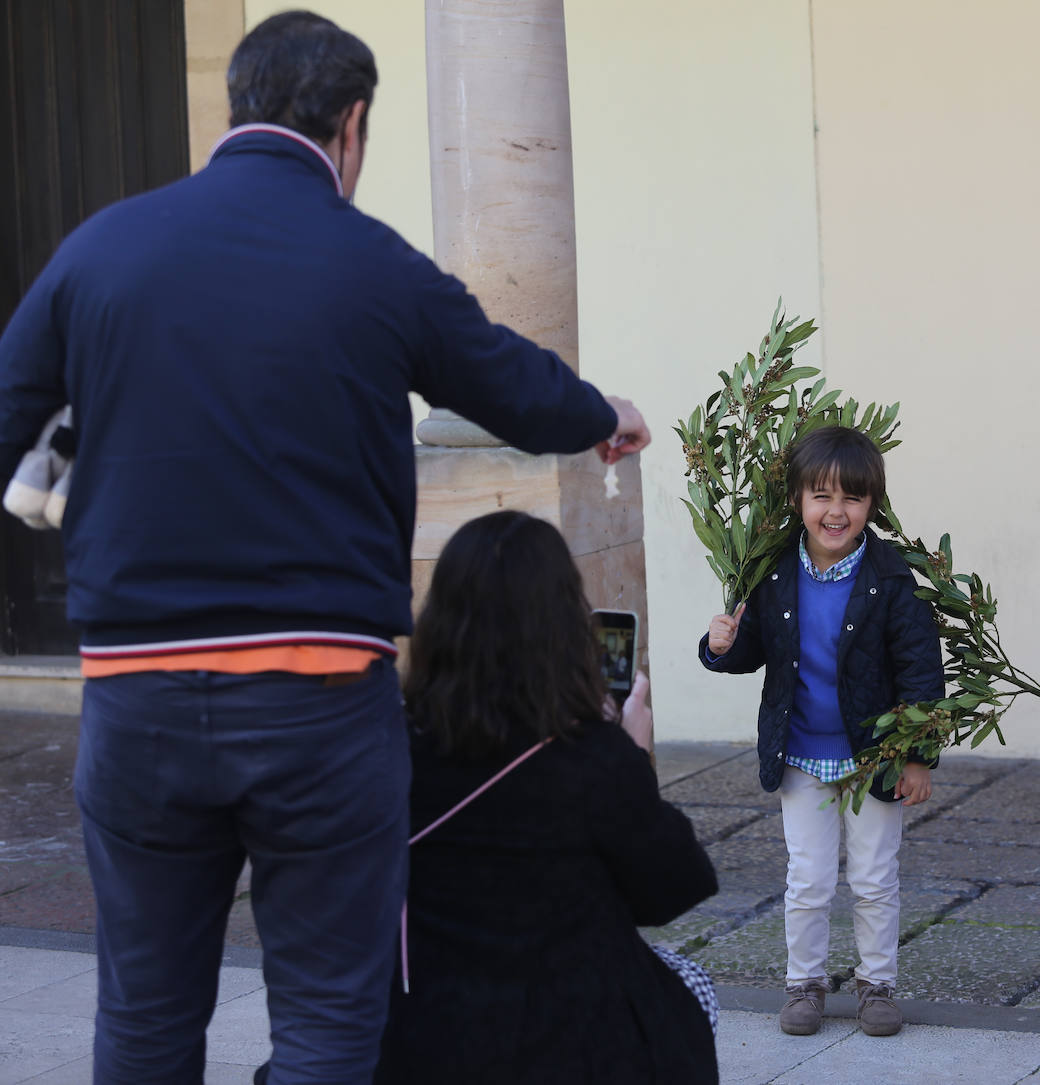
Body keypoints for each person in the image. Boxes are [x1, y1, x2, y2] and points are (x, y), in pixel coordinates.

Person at [0, 11, 649, 1083]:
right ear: (351, 124)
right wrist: (599, 409)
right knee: (326, 1025)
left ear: (232, 109)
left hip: (139, 696)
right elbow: (508, 384)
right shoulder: (371, 262)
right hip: (317, 706)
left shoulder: (102, 247)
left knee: (147, 1020)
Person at [373, 511, 719, 1084]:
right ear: (564, 625)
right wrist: (631, 754)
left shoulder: (391, 747)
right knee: (694, 987)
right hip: (576, 1039)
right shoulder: (595, 757)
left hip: (426, 1029)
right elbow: (671, 892)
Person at [699, 425, 943, 1037]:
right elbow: (749, 648)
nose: (836, 511)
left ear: (872, 505)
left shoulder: (890, 578)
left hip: (873, 759)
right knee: (807, 879)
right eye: (822, 496)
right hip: (802, 755)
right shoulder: (775, 571)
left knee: (873, 877)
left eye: (853, 499)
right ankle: (804, 983)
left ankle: (876, 983)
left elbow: (921, 671)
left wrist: (916, 757)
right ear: (797, 500)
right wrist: (718, 645)